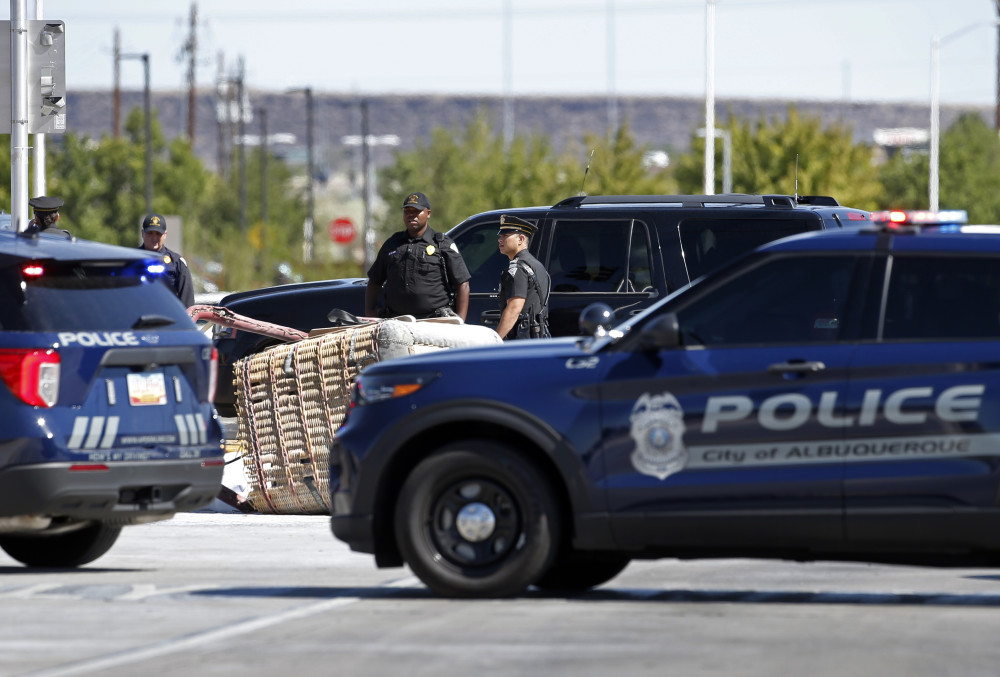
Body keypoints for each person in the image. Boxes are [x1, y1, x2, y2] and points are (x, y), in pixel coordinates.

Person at [365, 191, 471, 320]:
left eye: (416, 211)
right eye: (407, 211)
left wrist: (460, 320)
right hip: (397, 322)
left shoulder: (442, 244)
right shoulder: (392, 244)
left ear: (428, 214)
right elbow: (375, 280)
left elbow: (463, 284)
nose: (411, 215)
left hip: (434, 321)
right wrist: (370, 312)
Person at [496, 214, 551, 340]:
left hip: (522, 339)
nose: (500, 239)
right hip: (538, 336)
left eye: (505, 236)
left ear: (520, 239)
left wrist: (496, 340)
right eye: (500, 236)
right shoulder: (537, 265)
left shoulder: (518, 268)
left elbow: (514, 308)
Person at [139, 213, 195, 307]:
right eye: (150, 233)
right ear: (142, 233)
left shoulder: (177, 263)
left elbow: (187, 304)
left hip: (168, 319)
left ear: (165, 234)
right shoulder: (131, 260)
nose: (154, 238)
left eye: (158, 234)